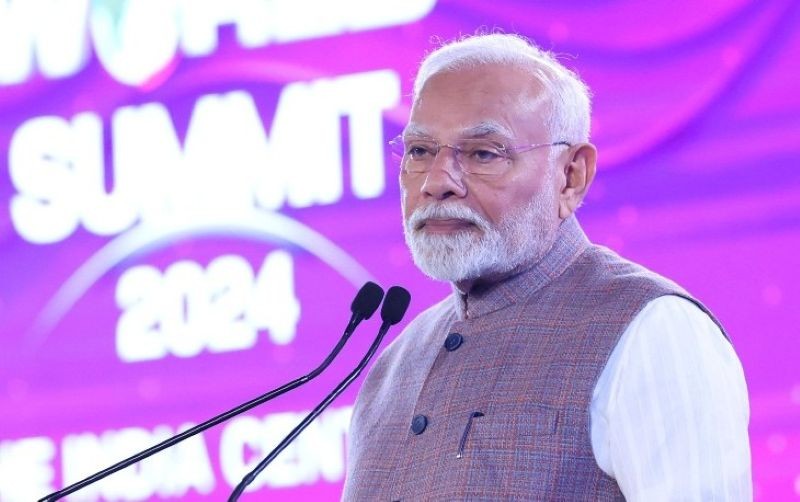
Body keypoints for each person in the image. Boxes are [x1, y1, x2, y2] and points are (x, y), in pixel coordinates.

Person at [342, 33, 751, 501]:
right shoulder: (393, 365)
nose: (437, 182)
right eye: (420, 151)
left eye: (482, 153)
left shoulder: (652, 328)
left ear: (571, 175)